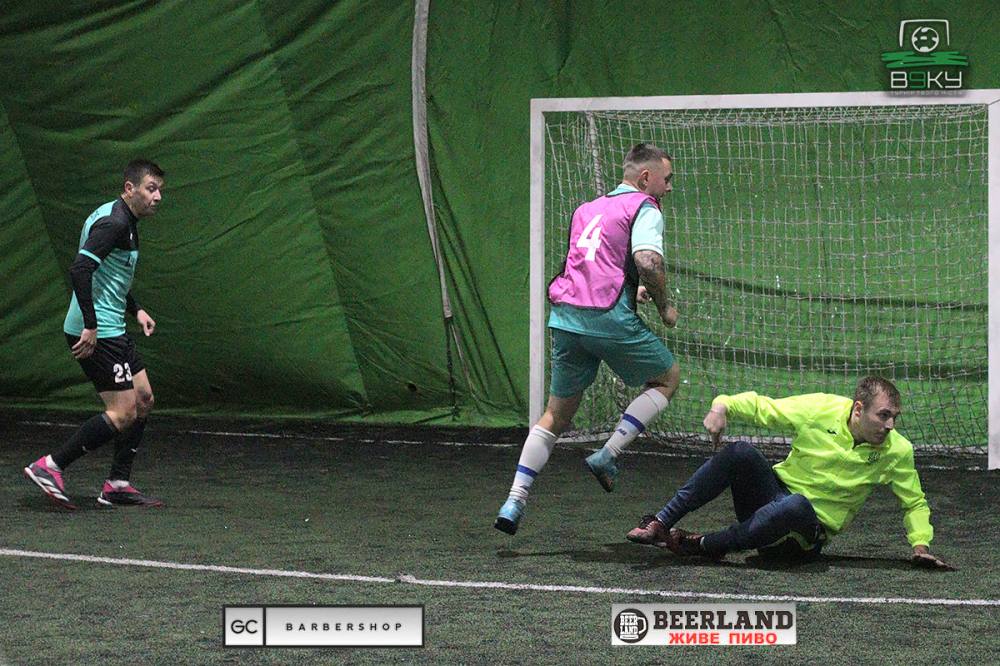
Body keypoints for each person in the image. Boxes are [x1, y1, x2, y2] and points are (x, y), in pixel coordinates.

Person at [494, 143, 680, 535]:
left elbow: (595, 264)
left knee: (555, 415)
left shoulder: (587, 209)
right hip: (608, 319)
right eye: (666, 180)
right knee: (667, 378)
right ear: (645, 178)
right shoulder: (644, 207)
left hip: (567, 318)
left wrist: (634, 289)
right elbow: (648, 261)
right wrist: (664, 306)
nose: (668, 188)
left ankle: (514, 499)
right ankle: (608, 453)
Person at [625, 376, 955, 570]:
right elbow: (765, 408)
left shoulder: (897, 450)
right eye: (883, 415)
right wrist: (722, 405)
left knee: (796, 505)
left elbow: (914, 502)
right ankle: (660, 523)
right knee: (740, 452)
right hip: (770, 501)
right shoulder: (821, 408)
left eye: (895, 416)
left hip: (804, 535)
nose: (890, 425)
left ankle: (703, 544)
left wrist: (920, 545)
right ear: (858, 409)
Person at [23, 159, 166, 510]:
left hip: (112, 325)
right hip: (97, 331)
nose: (158, 197)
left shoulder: (122, 218)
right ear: (130, 188)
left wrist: (136, 309)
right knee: (123, 412)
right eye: (151, 188)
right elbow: (80, 270)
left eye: (160, 190)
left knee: (144, 398)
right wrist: (90, 325)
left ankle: (117, 484)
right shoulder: (115, 223)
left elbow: (109, 276)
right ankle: (50, 466)